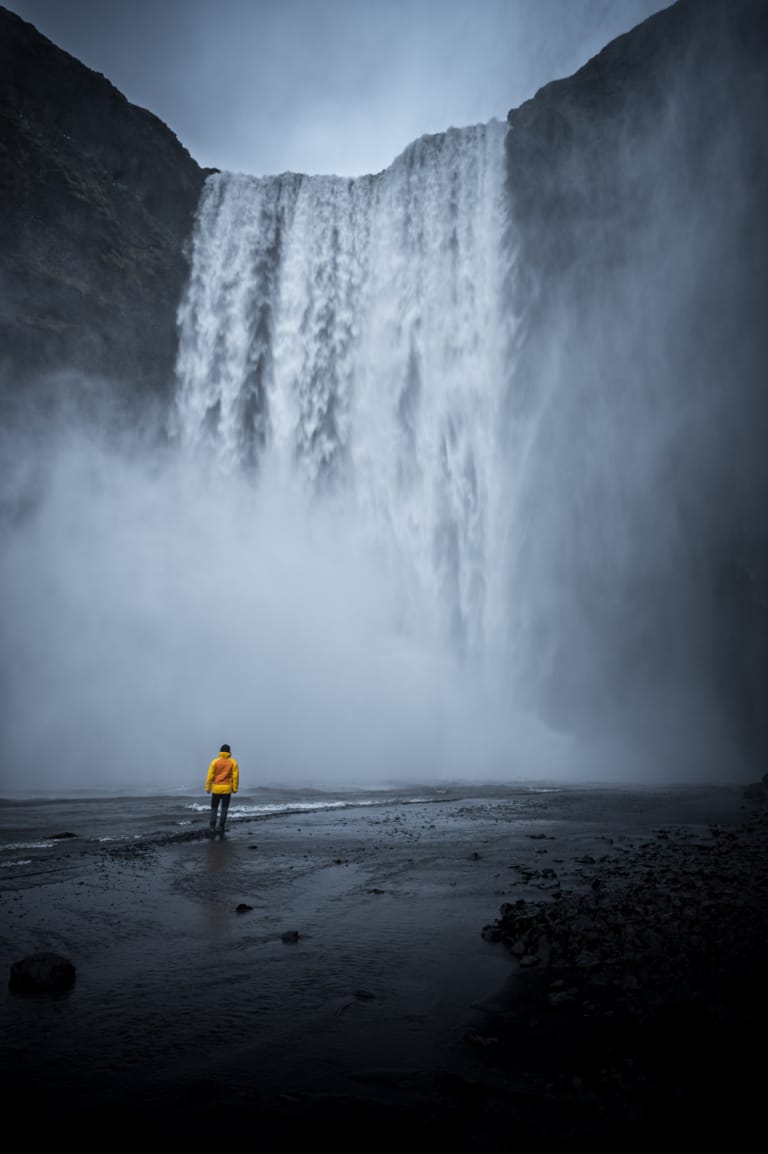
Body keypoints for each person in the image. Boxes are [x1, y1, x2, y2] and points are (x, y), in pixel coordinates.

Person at [205, 743, 239, 836]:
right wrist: (235, 788)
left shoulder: (215, 761)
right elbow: (235, 777)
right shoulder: (233, 762)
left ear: (220, 751)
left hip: (216, 788)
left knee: (214, 807)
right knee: (224, 808)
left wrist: (208, 788)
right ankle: (221, 826)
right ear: (229, 751)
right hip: (227, 789)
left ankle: (212, 826)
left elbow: (210, 776)